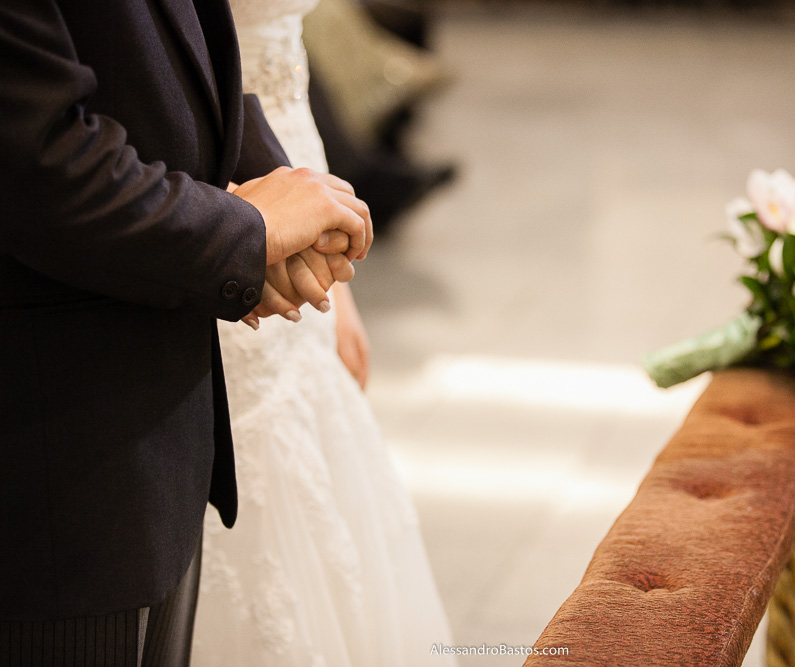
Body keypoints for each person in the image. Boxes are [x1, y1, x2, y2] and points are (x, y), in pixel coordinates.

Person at [0, 1, 371, 664]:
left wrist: (266, 187)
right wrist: (245, 233)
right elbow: (38, 158)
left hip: (157, 422)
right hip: (59, 464)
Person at [188, 2, 457, 665]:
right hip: (220, 211)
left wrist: (338, 282)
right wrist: (242, 233)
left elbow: (284, 78)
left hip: (293, 187)